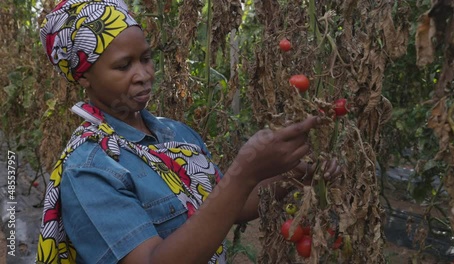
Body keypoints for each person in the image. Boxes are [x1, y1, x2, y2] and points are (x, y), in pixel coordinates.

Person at [36, 0, 341, 263]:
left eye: (145, 58)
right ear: (84, 77)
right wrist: (246, 171)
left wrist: (293, 174)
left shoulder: (176, 134)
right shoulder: (90, 169)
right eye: (123, 66)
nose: (143, 75)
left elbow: (228, 208)